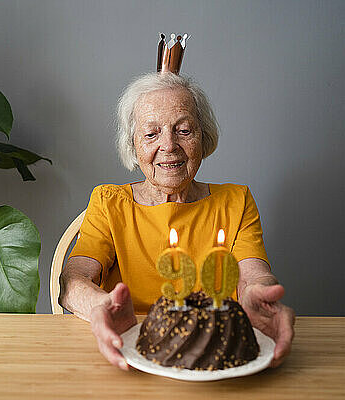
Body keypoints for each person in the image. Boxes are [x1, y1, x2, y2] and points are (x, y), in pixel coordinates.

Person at [58, 72, 295, 371]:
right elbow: (72, 281)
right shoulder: (109, 202)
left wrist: (261, 296)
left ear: (204, 137)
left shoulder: (236, 201)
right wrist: (99, 306)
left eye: (183, 130)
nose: (169, 145)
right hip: (128, 353)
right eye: (151, 134)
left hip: (216, 358)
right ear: (132, 144)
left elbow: (253, 276)